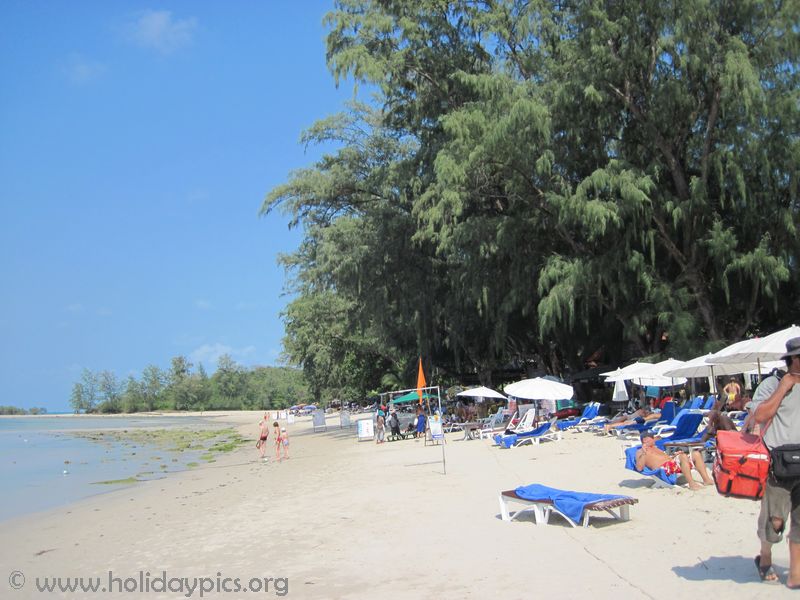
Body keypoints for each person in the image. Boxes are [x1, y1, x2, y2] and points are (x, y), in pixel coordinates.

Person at [750, 337, 800, 587]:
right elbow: (759, 416)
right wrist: (784, 387)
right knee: (775, 521)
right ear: (793, 359)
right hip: (778, 465)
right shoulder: (771, 383)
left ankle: (795, 572)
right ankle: (765, 557)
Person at [635, 431, 713, 490]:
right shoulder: (640, 452)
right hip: (665, 469)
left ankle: (706, 480)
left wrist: (674, 456)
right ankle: (692, 484)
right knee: (682, 456)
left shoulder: (656, 448)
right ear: (643, 441)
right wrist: (644, 453)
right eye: (646, 440)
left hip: (672, 464)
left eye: (651, 439)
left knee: (696, 454)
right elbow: (639, 468)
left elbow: (665, 458)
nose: (649, 442)